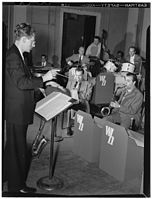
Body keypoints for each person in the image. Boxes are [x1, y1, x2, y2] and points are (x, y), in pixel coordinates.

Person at [4, 22, 59, 194]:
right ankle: (16, 187)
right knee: (17, 148)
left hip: (17, 109)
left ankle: (6, 176)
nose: (34, 43)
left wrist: (40, 81)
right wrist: (44, 79)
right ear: (24, 39)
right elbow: (21, 82)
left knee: (12, 147)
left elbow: (23, 76)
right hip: (16, 110)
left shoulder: (18, 54)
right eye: (32, 40)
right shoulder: (13, 56)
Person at [66, 67, 94, 135]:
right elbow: (66, 92)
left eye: (80, 76)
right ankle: (68, 127)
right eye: (76, 75)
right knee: (70, 108)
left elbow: (88, 97)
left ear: (83, 75)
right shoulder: (70, 82)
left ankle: (82, 126)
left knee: (76, 107)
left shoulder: (88, 84)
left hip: (83, 102)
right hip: (73, 101)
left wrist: (78, 93)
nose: (78, 78)